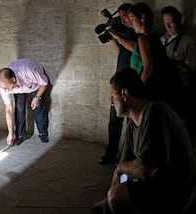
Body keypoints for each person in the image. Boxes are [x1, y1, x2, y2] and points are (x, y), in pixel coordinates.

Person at [92, 68, 196, 214]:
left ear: (124, 94)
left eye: (112, 97)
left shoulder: (155, 112)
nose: (111, 103)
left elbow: (145, 169)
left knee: (118, 197)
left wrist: (120, 171)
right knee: (114, 195)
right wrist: (107, 197)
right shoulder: (131, 125)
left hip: (175, 191)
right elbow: (121, 170)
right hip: (157, 185)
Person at [128, 2, 185, 119]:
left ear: (142, 18)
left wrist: (137, 90)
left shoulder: (143, 38)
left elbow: (148, 68)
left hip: (149, 91)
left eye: (132, 19)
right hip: (158, 90)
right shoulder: (154, 37)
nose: (131, 23)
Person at [98, 3, 137, 165]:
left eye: (125, 16)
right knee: (114, 120)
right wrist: (111, 38)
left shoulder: (137, 33)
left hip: (133, 83)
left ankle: (130, 156)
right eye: (120, 17)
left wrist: (117, 35)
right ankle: (110, 153)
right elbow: (122, 51)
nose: (122, 20)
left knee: (131, 123)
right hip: (119, 82)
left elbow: (134, 49)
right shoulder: (124, 33)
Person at [160, 5, 196, 145]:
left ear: (179, 21)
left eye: (172, 21)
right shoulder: (161, 40)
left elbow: (191, 69)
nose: (169, 26)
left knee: (181, 126)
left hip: (181, 90)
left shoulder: (188, 42)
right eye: (165, 22)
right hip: (164, 89)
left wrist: (175, 64)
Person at [0, 58, 49, 146]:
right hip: (18, 87)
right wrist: (10, 133)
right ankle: (19, 135)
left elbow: (44, 83)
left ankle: (43, 133)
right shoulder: (4, 87)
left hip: (34, 85)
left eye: (5, 87)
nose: (4, 90)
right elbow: (8, 110)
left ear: (13, 80)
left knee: (38, 107)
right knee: (19, 108)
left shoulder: (30, 71)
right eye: (2, 87)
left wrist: (37, 97)